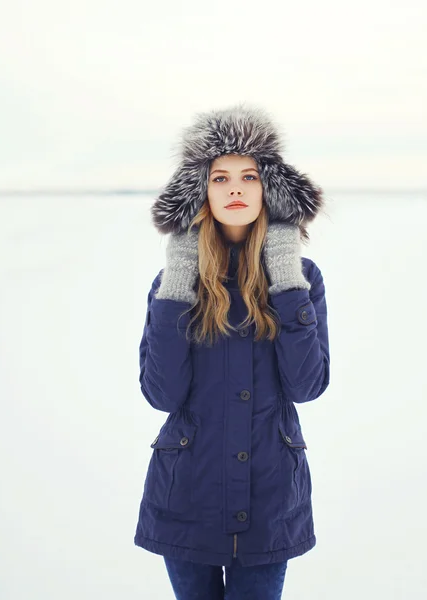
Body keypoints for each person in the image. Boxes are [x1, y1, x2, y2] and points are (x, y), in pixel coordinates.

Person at [133, 103, 331, 600]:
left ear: (270, 187)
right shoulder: (170, 285)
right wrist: (179, 281)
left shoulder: (303, 280)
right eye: (219, 178)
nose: (236, 188)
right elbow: (161, 393)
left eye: (249, 176)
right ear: (200, 191)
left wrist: (285, 275)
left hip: (269, 502)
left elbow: (307, 385)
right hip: (186, 499)